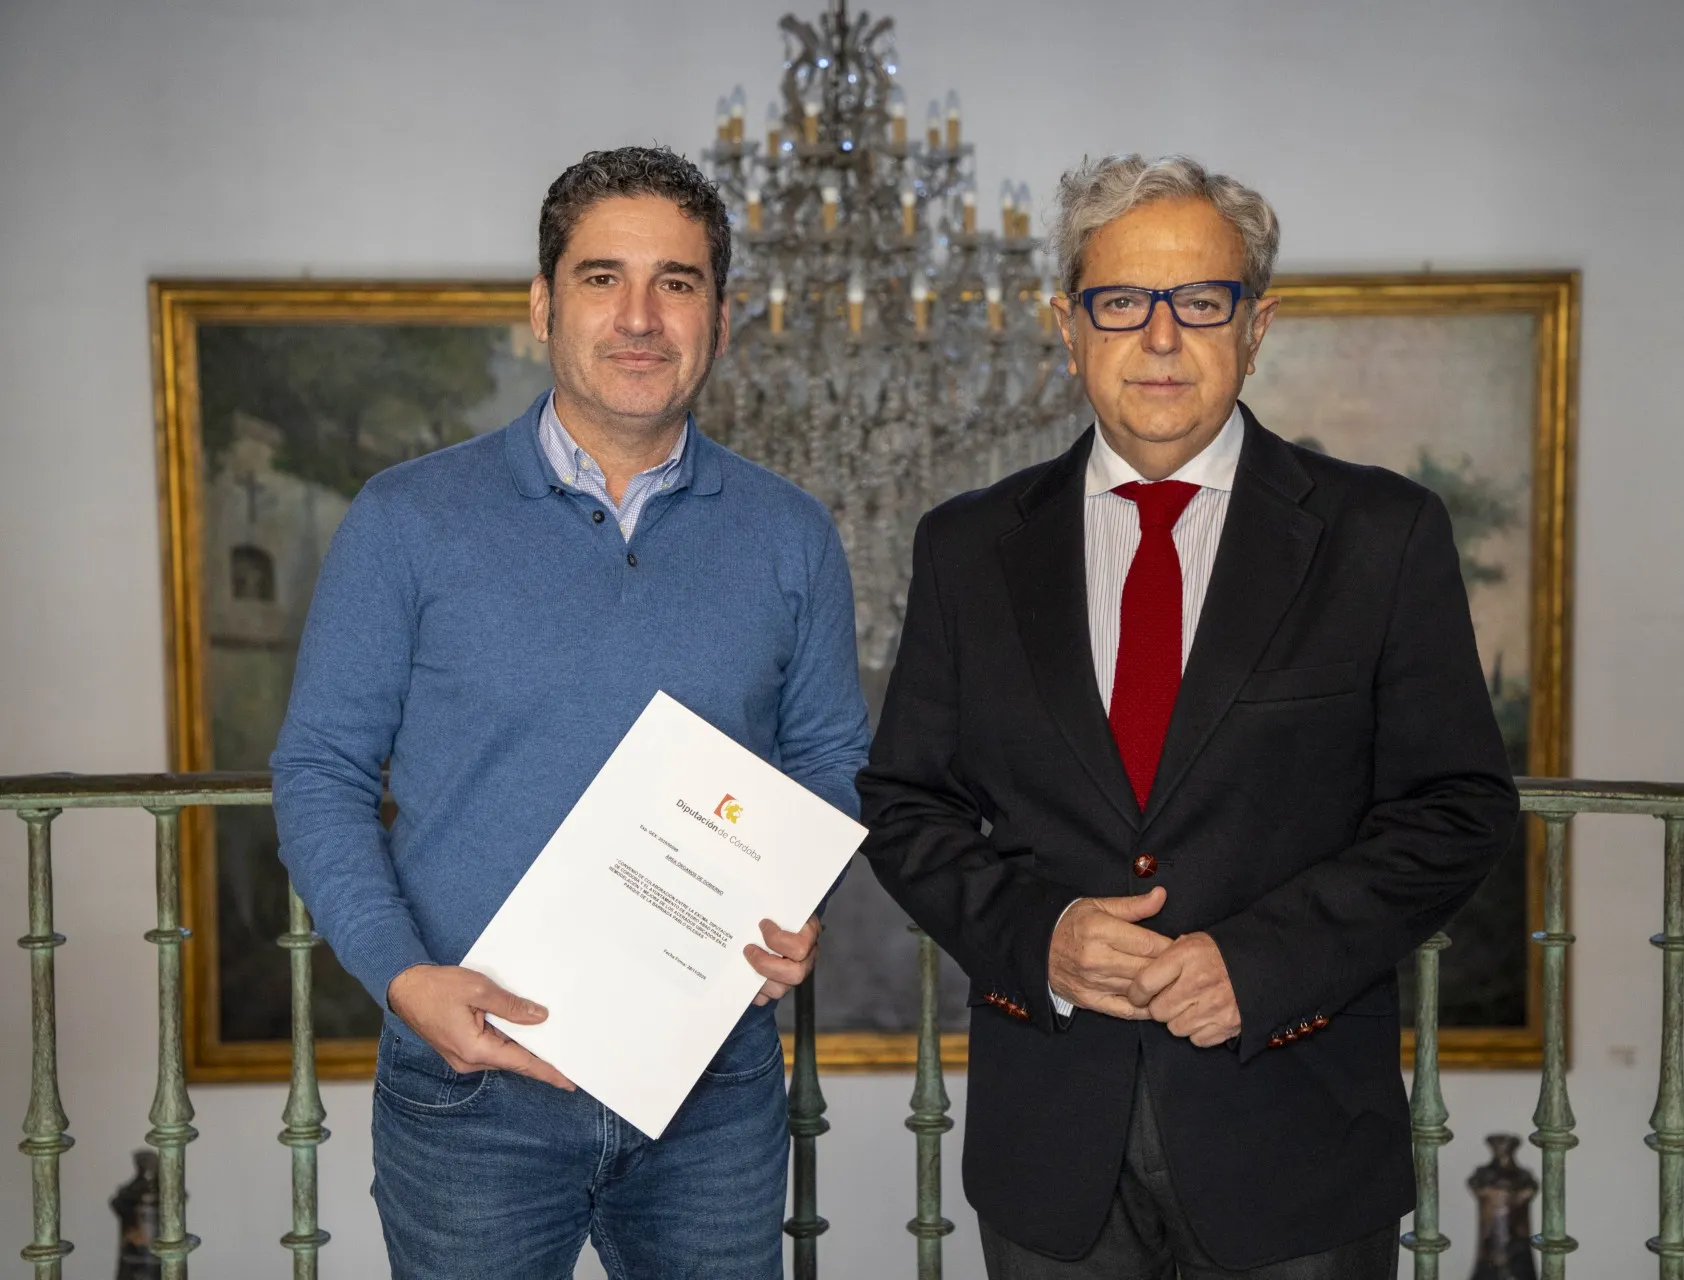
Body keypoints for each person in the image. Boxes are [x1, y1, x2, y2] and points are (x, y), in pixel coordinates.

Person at [858, 154, 1519, 1279]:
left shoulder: (1382, 533)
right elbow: (907, 803)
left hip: (1297, 1134)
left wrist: (1259, 964)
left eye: (1201, 301)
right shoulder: (967, 546)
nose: (1160, 337)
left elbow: (1456, 807)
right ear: (1069, 327)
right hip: (1052, 1145)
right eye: (1121, 301)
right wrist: (1042, 937)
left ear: (1255, 326)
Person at [272, 145, 868, 1279]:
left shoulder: (791, 534)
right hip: (470, 1087)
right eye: (603, 278)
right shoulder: (405, 520)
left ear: (719, 319)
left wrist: (794, 896)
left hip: (714, 1087)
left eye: (676, 283)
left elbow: (832, 754)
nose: (640, 317)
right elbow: (319, 770)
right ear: (544, 306)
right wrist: (402, 976)